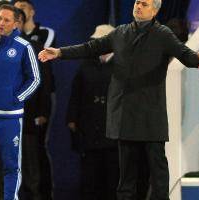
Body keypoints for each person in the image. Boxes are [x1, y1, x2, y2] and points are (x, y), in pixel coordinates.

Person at [39, 0, 199, 199]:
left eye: (145, 4)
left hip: (150, 113)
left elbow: (183, 53)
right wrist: (60, 52)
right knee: (126, 174)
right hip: (125, 112)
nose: (138, 6)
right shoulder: (120, 32)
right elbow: (90, 47)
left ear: (155, 10)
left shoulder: (163, 34)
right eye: (137, 2)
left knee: (158, 170)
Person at [0, 4, 40, 200]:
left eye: (6, 20)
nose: (1, 23)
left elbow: (34, 78)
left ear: (16, 23)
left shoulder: (24, 47)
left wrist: (16, 99)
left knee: (10, 165)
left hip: (9, 118)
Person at [66, 24, 119, 200]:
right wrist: (72, 120)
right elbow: (76, 94)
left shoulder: (124, 65)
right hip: (90, 133)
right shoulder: (86, 65)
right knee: (90, 180)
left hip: (114, 136)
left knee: (113, 180)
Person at [14, 1, 55, 199]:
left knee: (31, 163)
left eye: (12, 21)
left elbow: (42, 84)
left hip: (28, 116)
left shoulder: (36, 46)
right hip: (4, 118)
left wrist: (42, 112)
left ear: (20, 23)